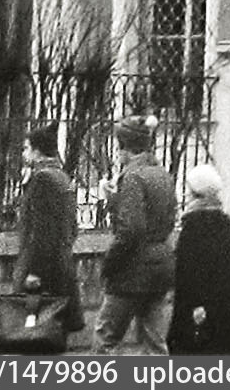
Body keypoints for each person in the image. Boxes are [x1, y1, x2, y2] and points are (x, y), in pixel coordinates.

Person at [95, 117, 175, 354]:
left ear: (124, 149)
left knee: (106, 339)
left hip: (132, 270)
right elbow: (162, 220)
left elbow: (131, 230)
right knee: (154, 342)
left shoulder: (132, 177)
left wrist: (109, 264)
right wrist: (114, 200)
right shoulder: (162, 174)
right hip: (160, 266)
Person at [11, 123, 84, 351]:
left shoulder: (42, 180)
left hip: (43, 267)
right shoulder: (62, 177)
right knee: (54, 334)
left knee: (36, 336)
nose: (23, 154)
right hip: (61, 263)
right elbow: (72, 227)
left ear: (37, 151)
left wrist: (33, 271)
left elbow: (41, 230)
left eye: (26, 148)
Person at [168, 165, 230, 355]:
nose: (186, 195)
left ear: (197, 194)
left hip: (195, 303)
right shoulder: (223, 221)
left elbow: (190, 269)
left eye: (189, 190)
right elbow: (226, 267)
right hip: (225, 302)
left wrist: (198, 304)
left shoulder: (194, 224)